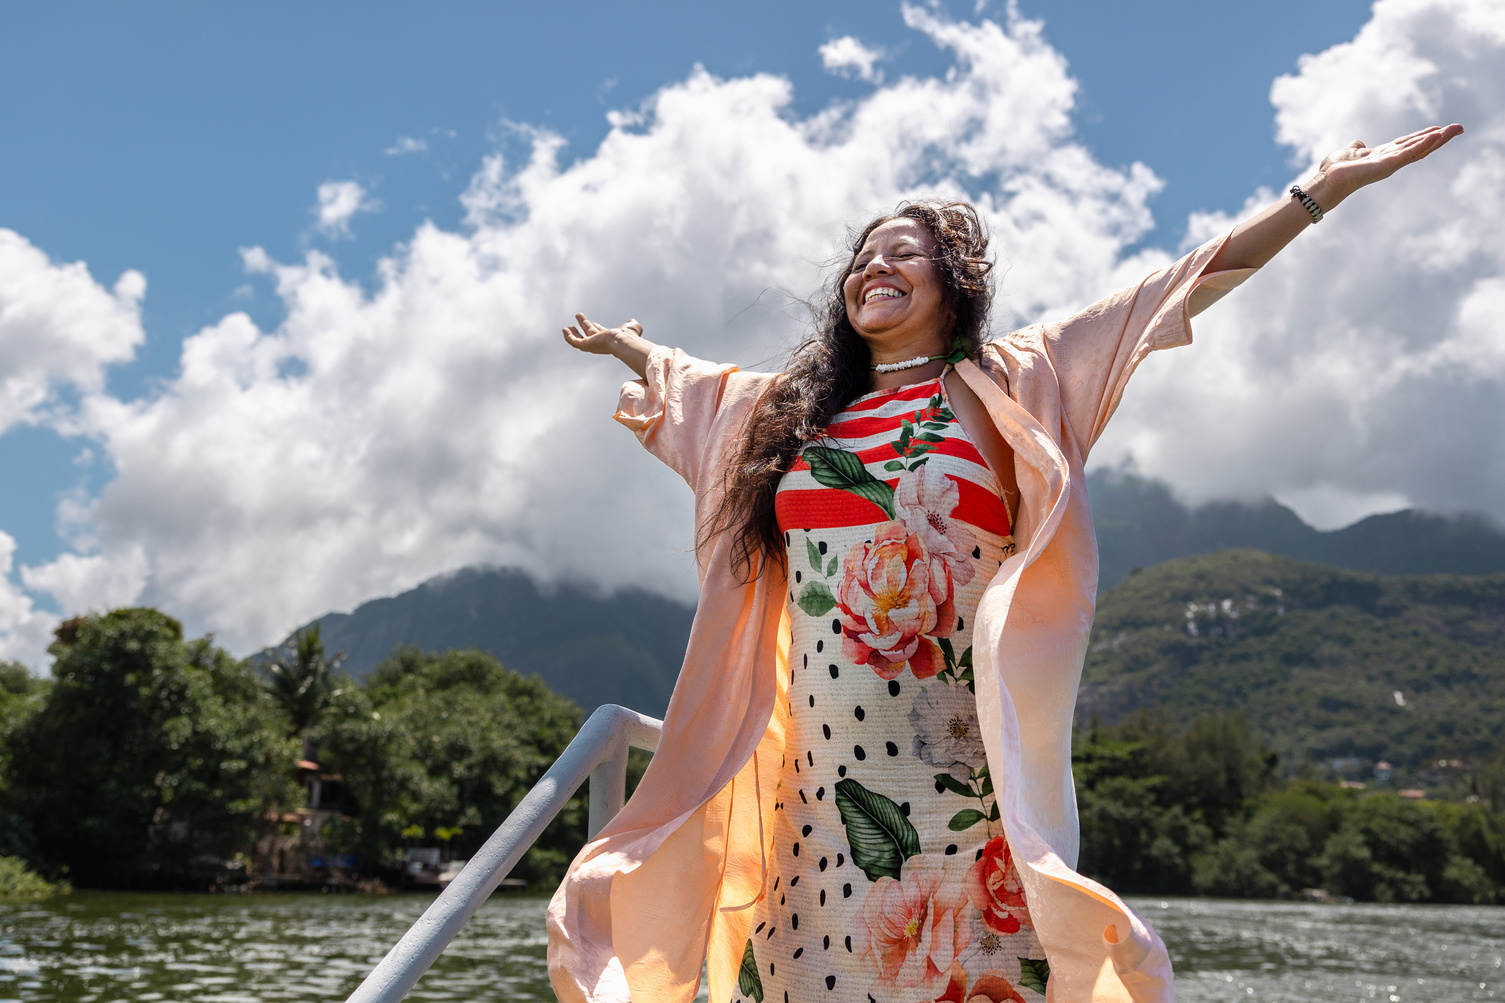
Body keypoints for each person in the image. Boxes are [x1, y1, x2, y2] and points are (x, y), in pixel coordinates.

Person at [548, 124, 1463, 1003]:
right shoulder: (781, 414)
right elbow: (688, 380)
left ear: (954, 282)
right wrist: (631, 347)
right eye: (864, 257)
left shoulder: (1017, 379)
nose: (876, 267)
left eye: (903, 253)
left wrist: (1318, 194)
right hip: (819, 803)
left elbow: (1172, 291)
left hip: (968, 788)